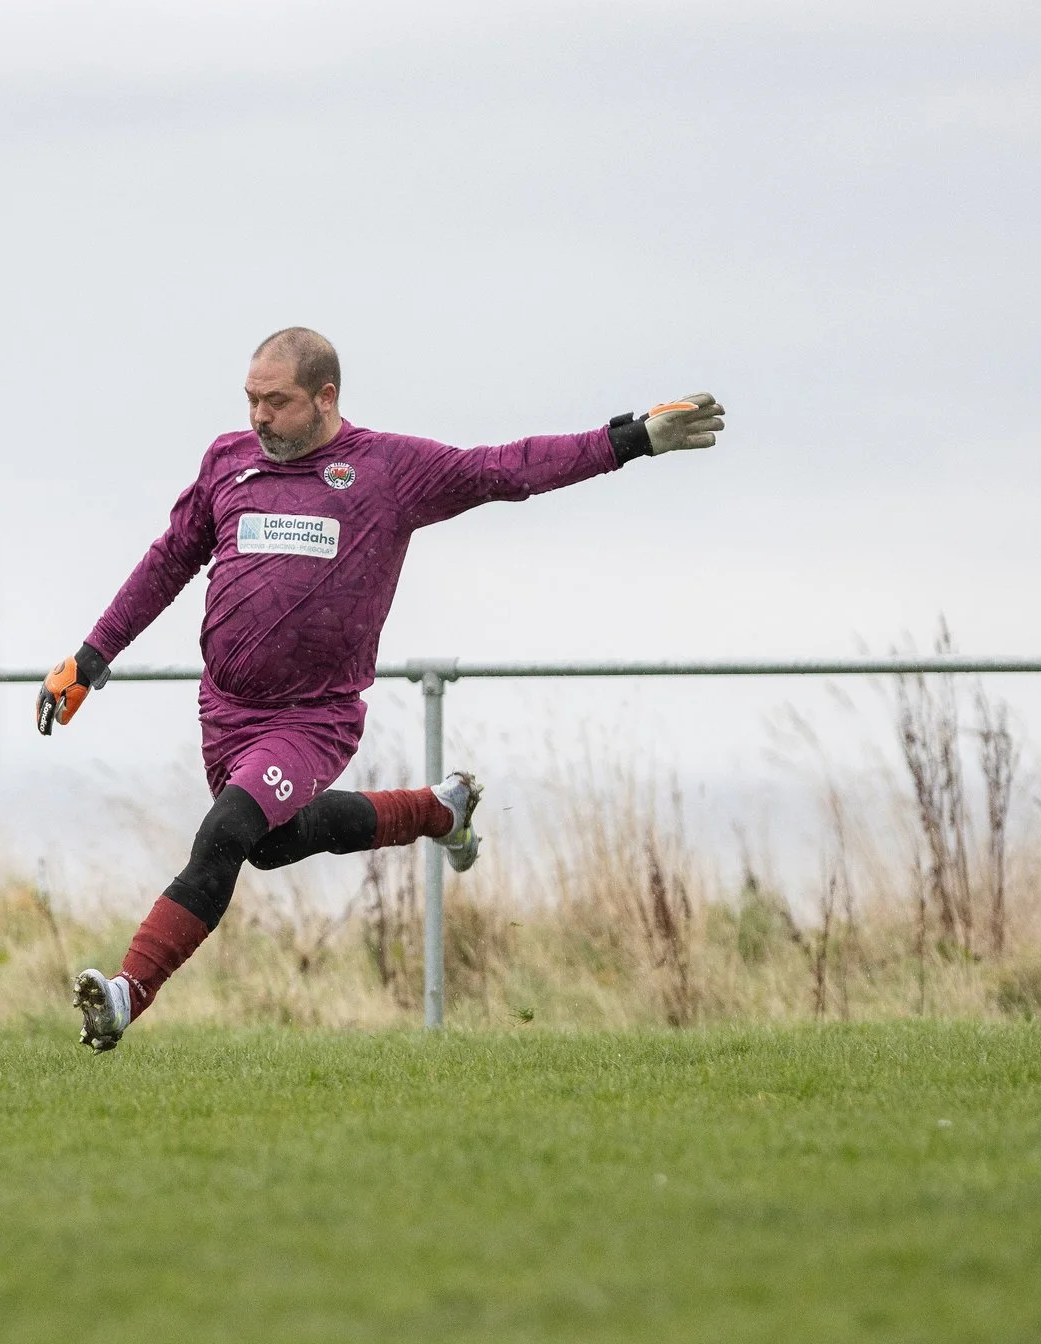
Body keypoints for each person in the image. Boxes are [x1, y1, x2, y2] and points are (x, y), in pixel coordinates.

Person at [37, 328, 722, 1049]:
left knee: (227, 835)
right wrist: (90, 658)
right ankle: (438, 810)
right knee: (268, 846)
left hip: (311, 719)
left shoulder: (388, 470)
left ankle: (124, 996)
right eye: (250, 400)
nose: (258, 418)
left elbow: (507, 468)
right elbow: (169, 559)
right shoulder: (228, 461)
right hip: (225, 711)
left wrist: (633, 438)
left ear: (326, 398)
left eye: (277, 402)